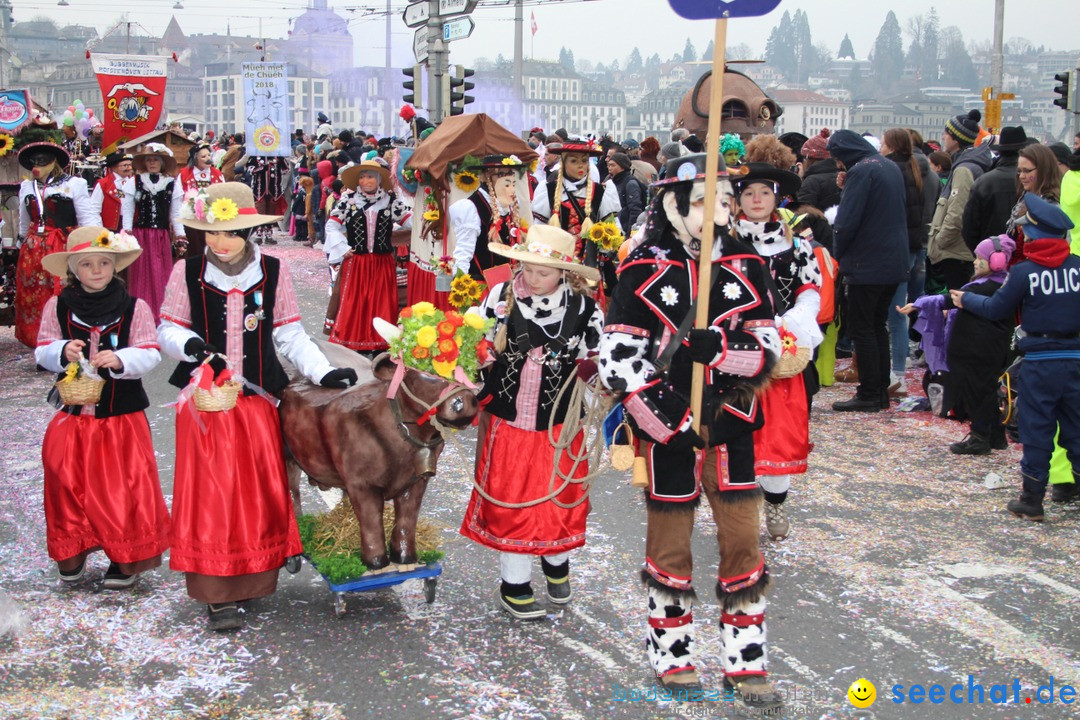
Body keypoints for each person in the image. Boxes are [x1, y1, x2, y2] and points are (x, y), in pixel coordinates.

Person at [598, 153, 783, 708]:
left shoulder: (750, 263)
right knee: (671, 543)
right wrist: (669, 419)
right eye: (705, 200)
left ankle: (746, 664)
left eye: (724, 200)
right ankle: (672, 656)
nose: (720, 210)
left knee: (743, 542)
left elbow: (771, 346)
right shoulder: (642, 267)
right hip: (669, 427)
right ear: (674, 206)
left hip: (733, 427)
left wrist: (725, 351)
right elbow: (617, 357)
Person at [159, 182, 359, 631]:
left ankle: (256, 572)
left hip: (256, 399)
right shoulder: (186, 272)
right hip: (206, 402)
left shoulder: (272, 269)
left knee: (256, 489)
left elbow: (288, 332)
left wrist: (322, 371)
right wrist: (189, 343)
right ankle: (217, 589)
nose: (221, 242)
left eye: (230, 232)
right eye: (212, 233)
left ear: (247, 231)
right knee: (212, 493)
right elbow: (167, 328)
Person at [459, 225, 604, 620]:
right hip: (508, 417)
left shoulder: (585, 308)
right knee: (512, 497)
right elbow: (472, 346)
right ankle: (515, 582)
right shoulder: (498, 298)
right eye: (527, 268)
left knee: (561, 492)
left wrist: (599, 381)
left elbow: (599, 359)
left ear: (565, 273)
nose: (533, 278)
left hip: (560, 422)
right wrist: (473, 366)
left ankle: (556, 562)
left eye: (544, 271)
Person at [35, 226, 170, 589]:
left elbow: (150, 351)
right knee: (65, 480)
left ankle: (124, 558)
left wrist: (123, 359)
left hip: (120, 417)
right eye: (88, 264)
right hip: (74, 415)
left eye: (105, 263)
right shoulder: (58, 305)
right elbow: (43, 347)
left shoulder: (134, 306)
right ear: (73, 270)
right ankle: (73, 549)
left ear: (115, 266)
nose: (97, 270)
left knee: (122, 488)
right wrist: (60, 352)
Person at [950, 195, 1080, 522]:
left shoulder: (1024, 272)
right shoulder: (1077, 267)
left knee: (1037, 427)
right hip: (1075, 358)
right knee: (1076, 427)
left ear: (1035, 235)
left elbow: (996, 309)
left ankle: (1032, 499)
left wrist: (966, 301)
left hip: (1040, 362)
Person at [732, 163, 822, 541]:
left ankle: (775, 503)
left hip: (783, 352)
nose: (756, 200)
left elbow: (810, 292)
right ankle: (740, 510)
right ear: (738, 199)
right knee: (735, 431)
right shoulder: (722, 243)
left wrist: (792, 322)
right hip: (736, 351)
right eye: (749, 193)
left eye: (764, 193)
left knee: (779, 435)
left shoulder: (798, 246)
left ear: (775, 199)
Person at [900, 235, 1015, 453]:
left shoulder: (981, 288)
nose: (974, 261)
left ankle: (979, 438)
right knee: (986, 391)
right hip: (989, 349)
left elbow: (948, 299)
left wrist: (918, 304)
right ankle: (996, 436)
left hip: (977, 350)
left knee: (976, 393)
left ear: (996, 261)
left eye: (979, 258)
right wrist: (918, 304)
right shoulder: (1001, 284)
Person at [826, 130, 909, 412]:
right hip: (892, 259)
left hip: (867, 262)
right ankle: (879, 389)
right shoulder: (887, 165)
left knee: (863, 327)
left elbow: (847, 221)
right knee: (876, 326)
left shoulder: (861, 172)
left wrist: (837, 255)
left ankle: (870, 392)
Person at [323, 159, 411, 353]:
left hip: (382, 263)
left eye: (370, 176)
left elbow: (410, 222)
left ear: (379, 179)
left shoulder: (390, 202)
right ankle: (357, 344)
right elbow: (331, 225)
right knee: (357, 303)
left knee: (382, 303)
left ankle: (381, 345)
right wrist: (341, 246)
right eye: (362, 177)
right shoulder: (349, 201)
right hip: (358, 263)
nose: (365, 181)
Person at [15, 138, 95, 348]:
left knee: (62, 293)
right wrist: (21, 242)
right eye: (33, 162)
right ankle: (40, 341)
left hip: (62, 245)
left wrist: (93, 244)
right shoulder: (26, 187)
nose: (36, 167)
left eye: (42, 162)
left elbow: (87, 217)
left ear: (54, 162)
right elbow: (24, 220)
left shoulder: (73, 184)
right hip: (34, 249)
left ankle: (65, 340)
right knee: (35, 295)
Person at [880, 128, 930, 394]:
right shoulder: (918, 168)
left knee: (893, 313)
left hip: (894, 247)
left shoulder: (891, 171)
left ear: (890, 146)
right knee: (902, 310)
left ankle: (895, 373)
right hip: (913, 245)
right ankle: (899, 367)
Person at [927, 110, 992, 292]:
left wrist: (941, 240)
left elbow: (957, 211)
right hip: (963, 249)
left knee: (958, 301)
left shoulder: (964, 168)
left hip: (957, 251)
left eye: (946, 134)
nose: (943, 137)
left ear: (955, 139)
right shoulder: (973, 162)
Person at [126, 143, 185, 321]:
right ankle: (139, 313)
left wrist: (181, 236)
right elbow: (127, 209)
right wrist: (127, 232)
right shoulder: (134, 181)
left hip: (160, 235)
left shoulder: (172, 184)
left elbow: (176, 213)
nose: (152, 163)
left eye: (156, 160)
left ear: (162, 162)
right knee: (139, 273)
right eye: (149, 160)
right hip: (140, 234)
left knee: (161, 273)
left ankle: (162, 313)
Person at [448, 155, 529, 282]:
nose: (506, 179)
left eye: (509, 174)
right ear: (486, 176)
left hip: (507, 281)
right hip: (482, 284)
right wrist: (460, 282)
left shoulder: (508, 203)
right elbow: (464, 250)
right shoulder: (471, 207)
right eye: (500, 174)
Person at [962, 127, 1028, 254]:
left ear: (1001, 151)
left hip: (991, 253)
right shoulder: (1033, 180)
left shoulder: (984, 182)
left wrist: (983, 253)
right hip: (1024, 254)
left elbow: (969, 228)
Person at [1004, 143, 1062, 265]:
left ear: (1044, 170)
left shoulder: (1050, 205)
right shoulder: (1025, 198)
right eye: (1019, 171)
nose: (1022, 176)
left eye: (1027, 171)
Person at [177, 144, 225, 259]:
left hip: (213, 219)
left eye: (209, 155)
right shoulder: (183, 174)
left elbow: (224, 194)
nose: (208, 159)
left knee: (213, 249)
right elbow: (178, 198)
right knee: (195, 249)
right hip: (191, 219)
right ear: (195, 158)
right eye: (203, 157)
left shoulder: (217, 173)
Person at [796, 129, 841, 214]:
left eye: (804, 158)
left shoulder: (811, 181)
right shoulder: (841, 176)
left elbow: (801, 212)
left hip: (816, 226)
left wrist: (799, 182)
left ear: (809, 159)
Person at [89, 152, 135, 233]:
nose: (129, 168)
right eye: (125, 165)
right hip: (109, 230)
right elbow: (94, 209)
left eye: (130, 165)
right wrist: (99, 230)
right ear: (114, 167)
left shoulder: (135, 182)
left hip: (131, 228)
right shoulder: (103, 184)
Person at [606, 152, 646, 232]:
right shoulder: (610, 181)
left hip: (625, 229)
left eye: (613, 165)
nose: (609, 168)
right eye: (609, 165)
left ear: (622, 167)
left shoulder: (630, 183)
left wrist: (630, 233)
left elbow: (635, 210)